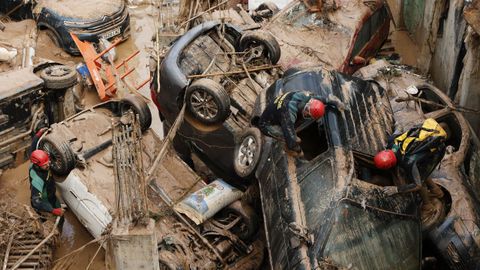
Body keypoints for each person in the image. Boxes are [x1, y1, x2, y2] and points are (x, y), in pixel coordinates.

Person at [374, 118, 447, 222]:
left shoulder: (409, 162)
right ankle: (436, 191)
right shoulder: (391, 143)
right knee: (420, 171)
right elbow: (398, 131)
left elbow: (417, 185)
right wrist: (397, 125)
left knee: (419, 177)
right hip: (422, 151)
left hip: (437, 152)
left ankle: (428, 206)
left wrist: (397, 189)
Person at [257, 90, 345, 156]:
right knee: (286, 136)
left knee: (291, 126)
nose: (307, 114)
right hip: (266, 124)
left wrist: (335, 103)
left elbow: (322, 99)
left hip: (277, 109)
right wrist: (299, 151)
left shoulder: (306, 97)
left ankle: (289, 129)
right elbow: (291, 140)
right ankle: (287, 148)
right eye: (307, 112)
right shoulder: (288, 114)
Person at [29, 149, 63, 217]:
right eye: (45, 164)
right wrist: (52, 210)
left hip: (50, 192)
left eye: (48, 162)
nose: (48, 165)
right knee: (45, 218)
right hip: (45, 199)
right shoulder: (37, 180)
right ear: (37, 165)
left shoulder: (35, 165)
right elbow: (36, 202)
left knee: (58, 208)